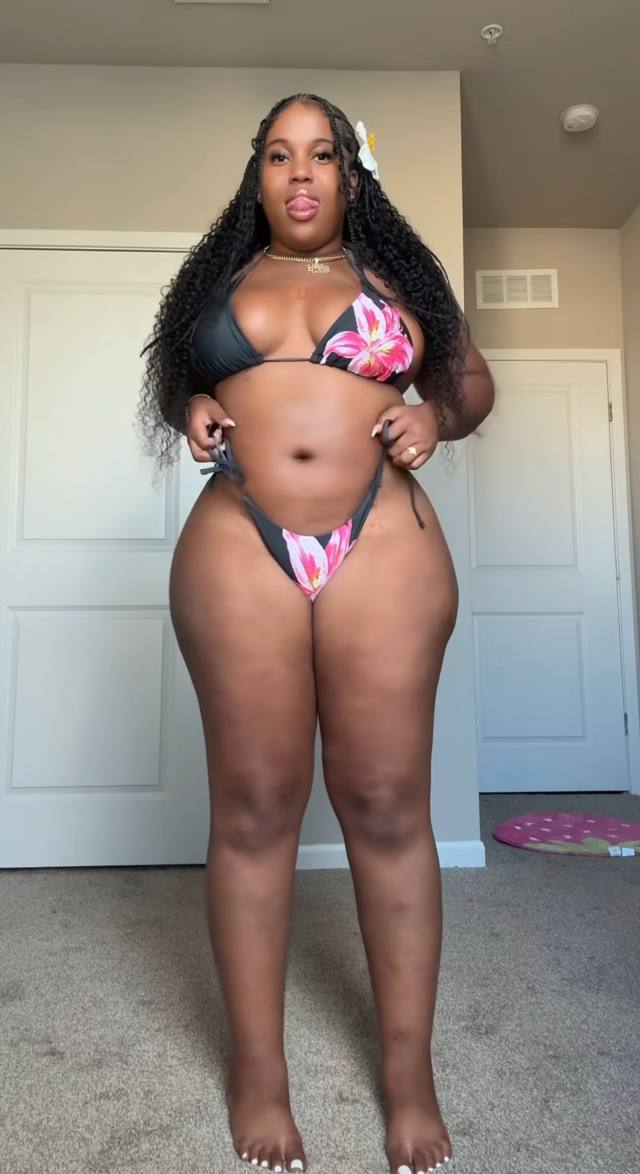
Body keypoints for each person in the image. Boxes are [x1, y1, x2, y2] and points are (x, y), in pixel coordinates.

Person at [136, 92, 494, 1174]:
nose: (300, 173)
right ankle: (258, 1072)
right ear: (257, 176)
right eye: (280, 155)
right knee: (252, 806)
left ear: (350, 174)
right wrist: (190, 406)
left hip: (380, 538)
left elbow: (470, 386)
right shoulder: (218, 283)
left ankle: (408, 1074)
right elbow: (178, 379)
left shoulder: (399, 279)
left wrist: (433, 415)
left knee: (386, 803)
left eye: (322, 154)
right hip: (238, 540)